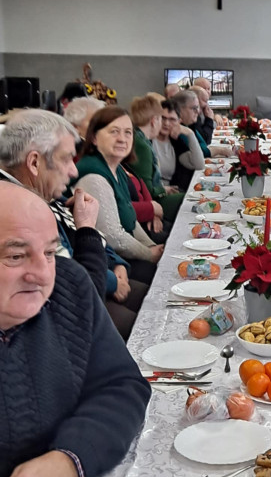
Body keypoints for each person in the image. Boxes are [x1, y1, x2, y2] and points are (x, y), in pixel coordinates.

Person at [0, 182, 151, 477]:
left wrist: (68, 461)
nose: (40, 272)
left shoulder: (68, 285)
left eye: (50, 251)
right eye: (16, 255)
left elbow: (122, 384)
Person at [0, 110, 146, 340]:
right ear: (35, 162)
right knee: (143, 323)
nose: (73, 170)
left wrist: (117, 264)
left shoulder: (45, 194)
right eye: (66, 158)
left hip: (94, 285)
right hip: (57, 325)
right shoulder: (20, 211)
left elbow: (95, 237)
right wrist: (87, 229)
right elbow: (78, 294)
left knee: (154, 296)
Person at [74, 107, 164, 283]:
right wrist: (149, 255)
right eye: (114, 132)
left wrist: (151, 246)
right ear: (93, 137)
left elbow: (130, 218)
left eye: (128, 132)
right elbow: (113, 236)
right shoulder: (94, 177)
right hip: (108, 264)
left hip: (121, 254)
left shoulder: (116, 169)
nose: (123, 139)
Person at [130, 94, 184, 223]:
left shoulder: (140, 138)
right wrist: (163, 190)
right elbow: (147, 189)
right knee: (188, 201)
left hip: (147, 199)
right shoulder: (142, 145)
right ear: (154, 120)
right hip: (150, 202)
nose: (164, 124)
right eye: (161, 119)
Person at [153, 99, 204, 191]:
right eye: (163, 118)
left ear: (179, 121)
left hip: (171, 191)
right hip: (155, 192)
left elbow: (199, 165)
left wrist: (190, 134)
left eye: (172, 119)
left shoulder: (176, 142)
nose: (166, 123)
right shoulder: (149, 140)